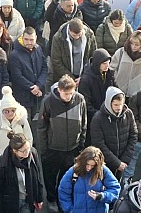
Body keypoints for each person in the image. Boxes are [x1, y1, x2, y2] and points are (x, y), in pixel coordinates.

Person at [38, 74, 87, 211]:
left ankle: (62, 200)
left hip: (72, 149)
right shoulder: (48, 102)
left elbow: (84, 124)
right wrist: (44, 151)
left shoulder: (80, 100)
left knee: (67, 179)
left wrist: (80, 147)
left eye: (71, 93)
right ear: (59, 90)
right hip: (53, 150)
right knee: (50, 177)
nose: (69, 97)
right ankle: (52, 199)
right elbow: (42, 128)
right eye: (66, 94)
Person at [90, 86, 137, 181]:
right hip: (104, 164)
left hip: (122, 163)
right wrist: (116, 163)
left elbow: (133, 136)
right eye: (116, 105)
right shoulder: (98, 118)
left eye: (121, 104)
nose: (119, 108)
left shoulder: (128, 114)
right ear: (109, 103)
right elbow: (98, 143)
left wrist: (124, 161)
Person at [0, 132, 44, 213]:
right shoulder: (2, 162)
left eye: (28, 148)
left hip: (28, 199)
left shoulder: (33, 154)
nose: (27, 152)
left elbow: (38, 177)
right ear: (15, 151)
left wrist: (39, 198)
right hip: (11, 202)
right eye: (23, 151)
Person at [58, 146, 120, 213]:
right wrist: (70, 210)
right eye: (87, 164)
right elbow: (63, 192)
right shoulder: (73, 171)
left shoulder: (103, 171)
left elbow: (115, 189)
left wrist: (101, 196)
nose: (89, 168)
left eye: (92, 165)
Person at [9, 27, 48, 119]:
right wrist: (32, 88)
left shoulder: (38, 49)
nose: (29, 42)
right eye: (26, 39)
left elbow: (44, 68)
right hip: (22, 96)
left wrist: (38, 85)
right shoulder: (15, 54)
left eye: (31, 40)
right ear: (22, 38)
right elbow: (17, 76)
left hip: (37, 95)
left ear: (36, 38)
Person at [48, 18, 97, 88]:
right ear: (69, 30)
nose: (77, 37)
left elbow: (93, 57)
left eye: (79, 35)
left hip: (84, 76)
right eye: (74, 35)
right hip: (64, 78)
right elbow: (56, 61)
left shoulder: (90, 35)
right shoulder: (58, 38)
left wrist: (84, 76)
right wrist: (71, 78)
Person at [111, 30, 141, 98]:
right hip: (118, 92)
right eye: (131, 43)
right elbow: (111, 69)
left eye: (137, 45)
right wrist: (116, 80)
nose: (133, 46)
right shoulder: (121, 53)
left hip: (136, 95)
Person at [78, 49, 115, 124]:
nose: (107, 66)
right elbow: (86, 103)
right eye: (104, 63)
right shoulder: (86, 79)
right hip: (93, 118)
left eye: (108, 63)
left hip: (108, 115)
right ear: (97, 63)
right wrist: (99, 115)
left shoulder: (109, 75)